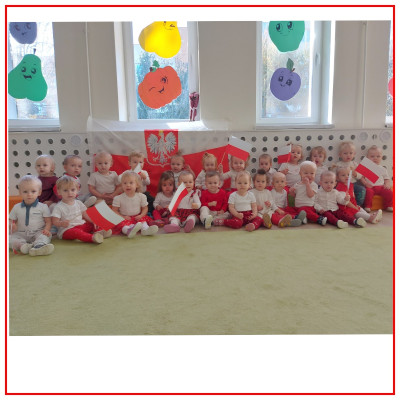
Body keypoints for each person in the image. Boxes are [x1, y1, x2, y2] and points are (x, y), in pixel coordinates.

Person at [51, 175, 111, 244]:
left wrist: (93, 221)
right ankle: (92, 238)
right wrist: (61, 223)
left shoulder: (78, 203)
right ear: (59, 192)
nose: (70, 193)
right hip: (67, 230)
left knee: (94, 224)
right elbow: (54, 221)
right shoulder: (58, 207)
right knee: (77, 232)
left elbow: (85, 214)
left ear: (77, 190)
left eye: (72, 190)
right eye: (65, 190)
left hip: (81, 225)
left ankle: (100, 232)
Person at [9, 175, 54, 256]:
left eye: (33, 191)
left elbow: (48, 222)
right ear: (20, 192)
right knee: (7, 238)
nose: (29, 194)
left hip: (37, 232)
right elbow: (11, 220)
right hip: (20, 233)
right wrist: (11, 225)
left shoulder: (43, 207)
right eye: (25, 192)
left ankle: (39, 246)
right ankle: (22, 246)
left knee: (45, 236)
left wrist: (46, 230)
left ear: (39, 192)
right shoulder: (16, 207)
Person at [112, 171, 158, 238]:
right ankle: (128, 230)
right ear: (122, 185)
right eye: (125, 183)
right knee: (123, 225)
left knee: (143, 221)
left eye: (131, 183)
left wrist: (141, 215)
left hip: (137, 217)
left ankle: (145, 229)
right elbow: (114, 210)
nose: (128, 185)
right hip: (125, 218)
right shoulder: (118, 198)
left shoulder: (141, 196)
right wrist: (122, 217)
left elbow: (145, 208)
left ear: (137, 185)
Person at [287, 161, 327, 225]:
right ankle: (301, 218)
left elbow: (310, 195)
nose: (309, 175)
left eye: (312, 173)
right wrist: (291, 192)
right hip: (298, 207)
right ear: (300, 174)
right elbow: (295, 196)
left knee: (303, 210)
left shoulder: (313, 185)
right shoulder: (297, 184)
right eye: (306, 173)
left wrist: (307, 184)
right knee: (288, 209)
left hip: (309, 207)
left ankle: (319, 219)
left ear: (315, 174)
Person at [359, 145, 393, 212]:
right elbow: (361, 178)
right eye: (372, 156)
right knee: (368, 193)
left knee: (389, 192)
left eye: (378, 156)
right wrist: (365, 183)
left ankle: (389, 205)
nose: (375, 158)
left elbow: (386, 179)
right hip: (370, 187)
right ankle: (368, 206)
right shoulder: (366, 167)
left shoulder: (383, 168)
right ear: (367, 158)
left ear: (381, 157)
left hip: (381, 187)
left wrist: (387, 184)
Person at [331, 141, 366, 206]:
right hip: (341, 184)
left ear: (354, 154)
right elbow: (333, 176)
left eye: (351, 153)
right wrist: (338, 178)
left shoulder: (355, 164)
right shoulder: (338, 164)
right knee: (336, 192)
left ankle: (357, 205)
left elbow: (360, 176)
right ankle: (341, 204)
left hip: (353, 184)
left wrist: (355, 174)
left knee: (362, 189)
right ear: (340, 154)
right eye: (345, 153)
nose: (348, 155)